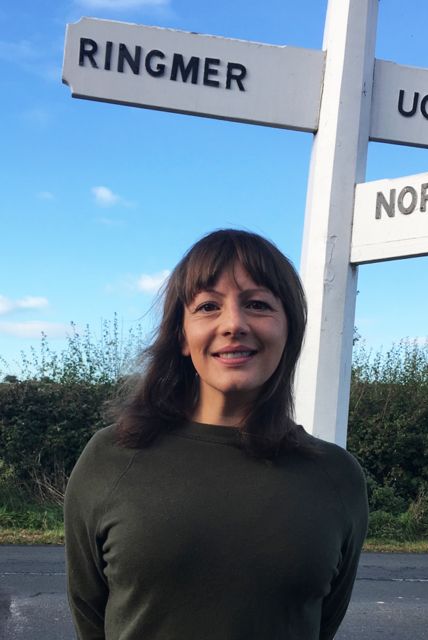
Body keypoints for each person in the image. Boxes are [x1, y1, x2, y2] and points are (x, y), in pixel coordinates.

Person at [64, 229, 368, 640]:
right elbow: (90, 617)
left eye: (258, 304)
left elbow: (322, 624)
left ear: (288, 330)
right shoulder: (111, 458)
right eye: (208, 306)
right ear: (182, 336)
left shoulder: (337, 478)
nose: (234, 324)